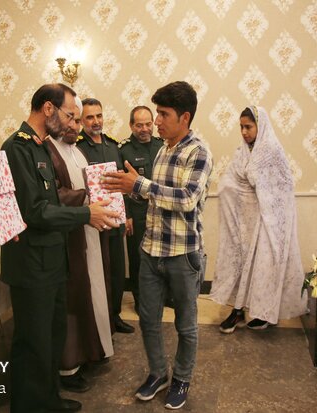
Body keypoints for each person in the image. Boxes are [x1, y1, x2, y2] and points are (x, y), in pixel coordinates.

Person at [0, 83, 119, 413]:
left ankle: (48, 400)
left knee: (51, 339)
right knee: (32, 343)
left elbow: (52, 202)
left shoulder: (41, 147)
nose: (72, 123)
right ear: (48, 108)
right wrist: (86, 213)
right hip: (31, 264)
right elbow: (35, 210)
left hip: (52, 261)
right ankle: (28, 406)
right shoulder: (18, 148)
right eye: (70, 115)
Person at [104, 81, 213, 410]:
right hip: (151, 251)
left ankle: (181, 378)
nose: (157, 121)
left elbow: (186, 199)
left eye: (163, 115)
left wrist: (139, 183)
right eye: (156, 115)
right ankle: (158, 373)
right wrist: (129, 189)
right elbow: (156, 196)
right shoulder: (164, 149)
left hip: (183, 255)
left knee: (186, 325)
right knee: (149, 320)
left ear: (184, 117)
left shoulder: (199, 152)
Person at [209, 106, 307, 332]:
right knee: (239, 265)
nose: (244, 132)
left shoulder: (272, 150)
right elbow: (231, 182)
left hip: (267, 223)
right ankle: (237, 312)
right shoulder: (242, 151)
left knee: (265, 268)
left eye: (248, 127)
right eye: (241, 127)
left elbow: (281, 190)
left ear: (260, 126)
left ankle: (265, 314)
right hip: (245, 222)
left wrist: (267, 215)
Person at [46, 96, 113, 392]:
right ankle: (69, 366)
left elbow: (90, 187)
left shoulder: (76, 152)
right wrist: (86, 198)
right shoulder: (47, 151)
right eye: (72, 119)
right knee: (74, 300)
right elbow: (54, 196)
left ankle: (90, 351)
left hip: (89, 231)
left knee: (94, 291)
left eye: (77, 120)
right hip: (68, 237)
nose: (75, 126)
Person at [76, 98, 134, 334]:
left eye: (99, 115)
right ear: (81, 120)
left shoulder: (113, 145)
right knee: (97, 272)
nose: (96, 121)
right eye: (90, 117)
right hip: (93, 221)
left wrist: (127, 216)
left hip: (116, 219)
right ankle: (99, 320)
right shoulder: (77, 147)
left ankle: (115, 315)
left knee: (117, 271)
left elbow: (122, 183)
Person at [118, 106, 163, 314]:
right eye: (139, 125)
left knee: (162, 257)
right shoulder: (123, 150)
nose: (145, 129)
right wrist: (126, 215)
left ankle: (162, 296)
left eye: (148, 124)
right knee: (139, 259)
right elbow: (120, 188)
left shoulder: (162, 146)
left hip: (161, 212)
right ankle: (140, 299)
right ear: (131, 125)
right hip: (137, 214)